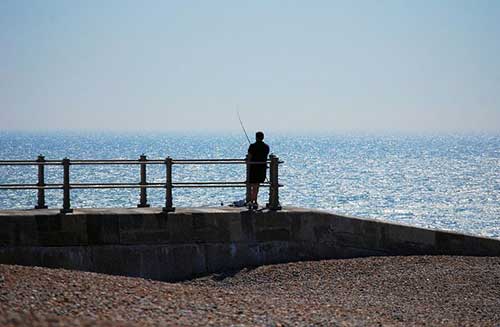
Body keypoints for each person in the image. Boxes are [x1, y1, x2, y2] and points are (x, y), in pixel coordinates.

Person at [247, 131, 270, 209]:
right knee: (257, 185)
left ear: (256, 137)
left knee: (251, 184)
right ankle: (255, 200)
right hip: (262, 168)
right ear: (263, 137)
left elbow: (249, 156)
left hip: (253, 167)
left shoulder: (252, 146)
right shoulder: (266, 147)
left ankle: (251, 201)